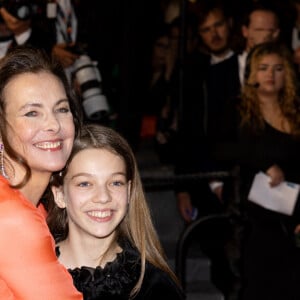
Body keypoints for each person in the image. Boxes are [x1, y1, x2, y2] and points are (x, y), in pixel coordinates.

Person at [45, 123, 185, 300]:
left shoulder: (153, 286)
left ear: (128, 192)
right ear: (59, 194)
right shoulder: (26, 273)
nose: (103, 197)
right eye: (85, 184)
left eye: (115, 183)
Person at [0, 45, 83, 299]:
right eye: (32, 113)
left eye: (61, 109)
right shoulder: (11, 218)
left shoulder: (30, 207)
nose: (53, 124)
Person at [236, 41, 300, 300]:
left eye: (277, 68)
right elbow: (222, 148)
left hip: (295, 214)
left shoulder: (296, 112)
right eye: (263, 68)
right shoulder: (239, 110)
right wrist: (264, 164)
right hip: (257, 218)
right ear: (252, 74)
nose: (270, 75)